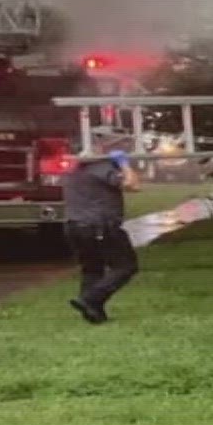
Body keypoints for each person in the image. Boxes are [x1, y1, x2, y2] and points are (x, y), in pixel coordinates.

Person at [65, 128, 141, 324]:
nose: (125, 147)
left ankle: (92, 313)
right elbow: (133, 185)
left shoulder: (76, 165)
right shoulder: (101, 166)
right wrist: (124, 164)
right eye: (121, 144)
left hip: (75, 226)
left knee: (92, 269)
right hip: (100, 226)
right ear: (107, 146)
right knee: (125, 266)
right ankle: (90, 299)